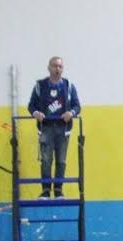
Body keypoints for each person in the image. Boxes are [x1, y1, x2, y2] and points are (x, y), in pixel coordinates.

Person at [27, 56, 81, 198]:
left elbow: (77, 106)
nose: (57, 69)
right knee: (46, 160)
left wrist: (71, 113)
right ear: (49, 68)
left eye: (60, 66)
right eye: (54, 66)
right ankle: (45, 190)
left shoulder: (69, 86)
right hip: (46, 129)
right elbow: (31, 106)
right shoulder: (40, 86)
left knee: (61, 161)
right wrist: (36, 113)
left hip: (63, 129)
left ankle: (58, 190)